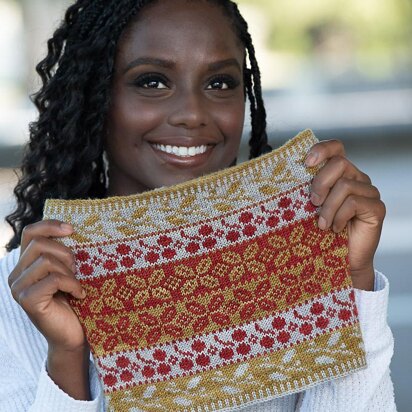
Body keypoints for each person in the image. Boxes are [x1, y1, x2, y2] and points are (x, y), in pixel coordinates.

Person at [0, 0, 396, 411]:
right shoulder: (24, 292)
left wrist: (351, 281)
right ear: (95, 95)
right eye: (152, 82)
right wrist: (66, 358)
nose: (192, 113)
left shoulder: (284, 262)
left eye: (220, 83)